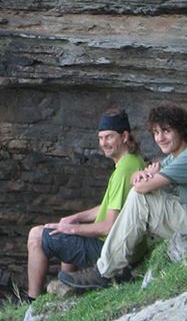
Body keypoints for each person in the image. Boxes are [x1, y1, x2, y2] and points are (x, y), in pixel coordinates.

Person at [58, 103, 187, 290]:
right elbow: (147, 173)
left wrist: (142, 179)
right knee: (145, 194)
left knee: (141, 197)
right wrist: (141, 175)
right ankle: (120, 262)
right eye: (155, 133)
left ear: (182, 130)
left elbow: (143, 186)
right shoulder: (178, 155)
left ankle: (105, 271)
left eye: (166, 131)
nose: (160, 138)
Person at [25, 108, 143, 300]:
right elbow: (109, 207)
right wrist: (75, 218)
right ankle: (67, 284)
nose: (103, 143)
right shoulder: (132, 161)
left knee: (36, 236)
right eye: (101, 138)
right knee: (66, 229)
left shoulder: (124, 170)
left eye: (109, 137)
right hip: (125, 247)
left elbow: (108, 227)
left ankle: (31, 300)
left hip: (112, 250)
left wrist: (71, 229)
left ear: (124, 136)